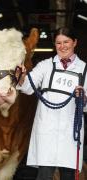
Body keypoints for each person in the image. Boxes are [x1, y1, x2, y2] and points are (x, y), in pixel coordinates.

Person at [16, 27, 87, 180]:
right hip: (47, 130)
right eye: (58, 43)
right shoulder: (45, 65)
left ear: (74, 42)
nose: (62, 46)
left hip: (70, 132)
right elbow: (28, 87)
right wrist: (21, 77)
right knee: (44, 174)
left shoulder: (84, 69)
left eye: (66, 42)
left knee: (68, 175)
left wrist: (83, 97)